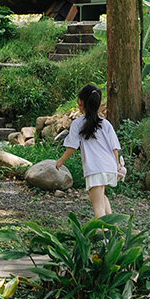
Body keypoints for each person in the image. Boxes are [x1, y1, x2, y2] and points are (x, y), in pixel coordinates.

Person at [56, 84, 124, 217]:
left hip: (95, 168)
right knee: (102, 197)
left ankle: (104, 229)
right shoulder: (106, 123)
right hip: (109, 167)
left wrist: (61, 161)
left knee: (98, 206)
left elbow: (72, 147)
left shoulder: (78, 123)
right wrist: (117, 164)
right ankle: (112, 226)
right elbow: (114, 147)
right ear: (98, 103)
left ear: (80, 102)